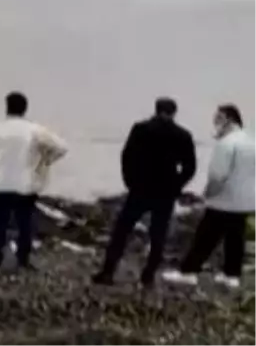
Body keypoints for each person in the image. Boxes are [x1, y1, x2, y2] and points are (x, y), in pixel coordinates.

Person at [91, 97, 197, 287]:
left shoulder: (141, 129)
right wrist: (176, 185)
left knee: (122, 231)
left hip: (140, 188)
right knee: (158, 235)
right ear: (174, 113)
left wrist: (129, 180)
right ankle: (148, 276)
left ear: (156, 110)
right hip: (165, 191)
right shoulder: (182, 135)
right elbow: (190, 167)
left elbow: (127, 156)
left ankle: (108, 272)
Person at [0, 91, 68, 271]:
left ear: (7, 107)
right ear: (25, 109)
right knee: (25, 223)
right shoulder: (34, 130)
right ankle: (23, 259)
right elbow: (61, 147)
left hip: (1, 182)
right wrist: (45, 160)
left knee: (0, 222)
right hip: (26, 184)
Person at [162, 105, 256, 289]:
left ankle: (188, 272)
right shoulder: (251, 141)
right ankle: (232, 275)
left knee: (205, 237)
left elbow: (217, 175)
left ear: (229, 119)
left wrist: (206, 195)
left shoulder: (226, 143)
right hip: (245, 200)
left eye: (218, 118)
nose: (215, 122)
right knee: (235, 237)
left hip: (223, 200)